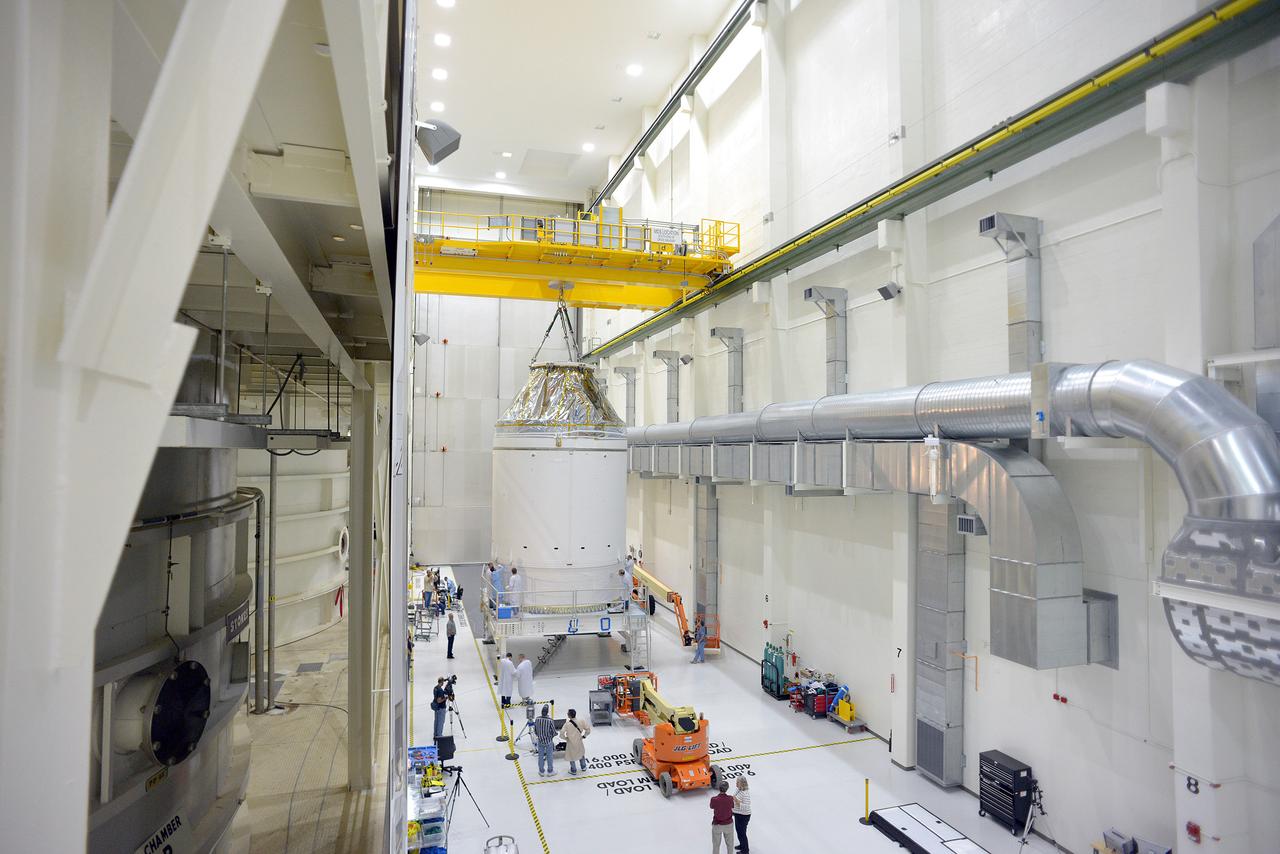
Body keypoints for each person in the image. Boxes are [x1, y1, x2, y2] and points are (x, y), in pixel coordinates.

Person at [558, 708, 591, 775]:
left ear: (569, 715)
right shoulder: (581, 721)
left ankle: (573, 770)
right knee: (581, 753)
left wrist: (566, 738)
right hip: (579, 741)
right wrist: (584, 736)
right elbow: (588, 729)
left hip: (570, 743)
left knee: (571, 756)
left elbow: (561, 734)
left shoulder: (567, 724)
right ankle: (583, 766)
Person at [710, 779, 734, 853]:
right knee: (730, 844)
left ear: (719, 788)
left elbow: (711, 806)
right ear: (727, 789)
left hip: (717, 825)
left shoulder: (714, 799)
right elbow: (732, 806)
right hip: (728, 824)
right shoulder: (730, 798)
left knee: (716, 845)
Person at [533, 704, 557, 777]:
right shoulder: (550, 720)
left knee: (540, 756)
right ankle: (550, 771)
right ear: (547, 712)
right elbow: (554, 732)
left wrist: (540, 736)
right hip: (548, 741)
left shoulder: (537, 719)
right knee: (549, 756)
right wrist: (551, 736)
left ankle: (541, 771)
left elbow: (535, 730)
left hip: (540, 741)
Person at [732, 777, 751, 853]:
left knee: (742, 833)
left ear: (742, 783)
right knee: (739, 832)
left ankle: (745, 851)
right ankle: (742, 845)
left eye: (738, 782)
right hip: (738, 814)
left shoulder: (745, 793)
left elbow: (746, 807)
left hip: (743, 816)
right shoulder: (738, 789)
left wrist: (736, 801)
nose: (736, 784)